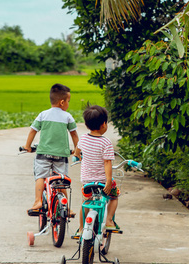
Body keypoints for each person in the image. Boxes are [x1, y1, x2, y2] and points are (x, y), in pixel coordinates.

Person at [24, 83, 79, 212]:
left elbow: (33, 130)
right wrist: (77, 152)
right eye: (68, 101)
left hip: (43, 154)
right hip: (61, 155)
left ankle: (38, 201)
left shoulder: (43, 114)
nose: (68, 104)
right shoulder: (68, 117)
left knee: (40, 177)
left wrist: (27, 146)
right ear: (62, 102)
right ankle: (66, 207)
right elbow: (74, 135)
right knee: (61, 180)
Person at [73, 105, 120, 236]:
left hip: (87, 181)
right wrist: (109, 181)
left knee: (85, 203)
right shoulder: (106, 142)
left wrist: (77, 156)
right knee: (114, 196)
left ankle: (81, 229)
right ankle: (109, 220)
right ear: (104, 124)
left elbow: (77, 151)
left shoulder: (83, 138)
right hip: (102, 181)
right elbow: (107, 163)